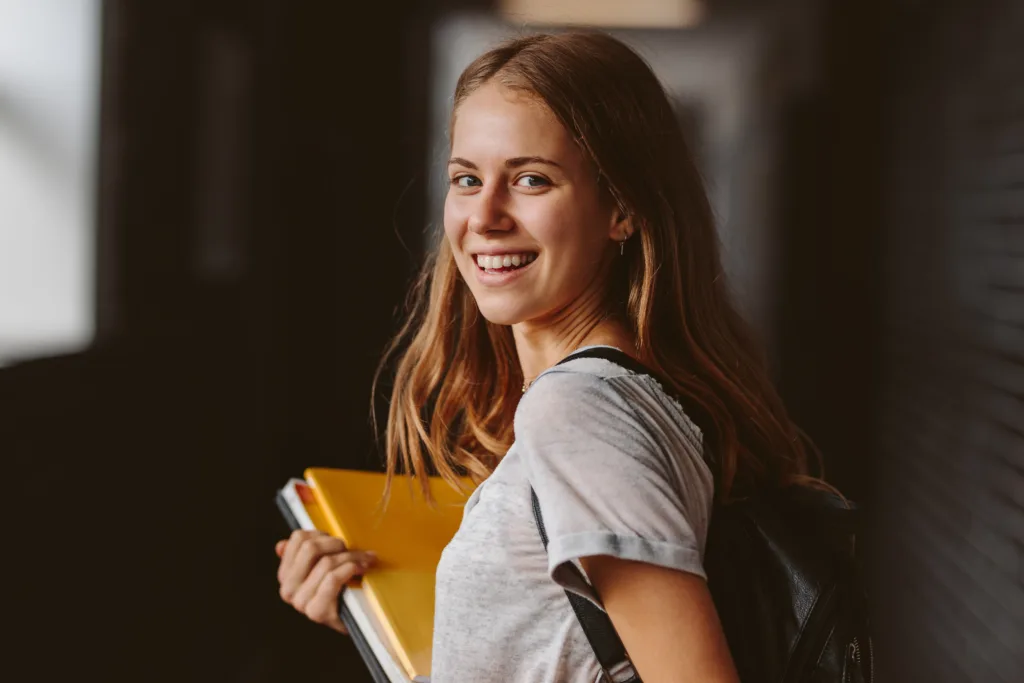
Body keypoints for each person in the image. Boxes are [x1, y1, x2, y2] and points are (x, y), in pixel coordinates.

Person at [276, 30, 830, 682]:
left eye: (531, 179)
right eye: (466, 179)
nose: (484, 215)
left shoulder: (580, 411)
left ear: (621, 207)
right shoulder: (622, 399)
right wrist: (374, 614)